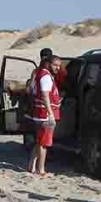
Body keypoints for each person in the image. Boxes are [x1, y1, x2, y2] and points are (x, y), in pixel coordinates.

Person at [27, 48, 61, 177]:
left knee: (39, 140)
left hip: (38, 111)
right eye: (55, 65)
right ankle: (41, 169)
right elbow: (45, 95)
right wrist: (50, 112)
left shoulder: (37, 72)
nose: (57, 68)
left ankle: (31, 164)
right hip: (44, 114)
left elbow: (30, 89)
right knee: (44, 144)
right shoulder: (45, 76)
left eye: (59, 66)